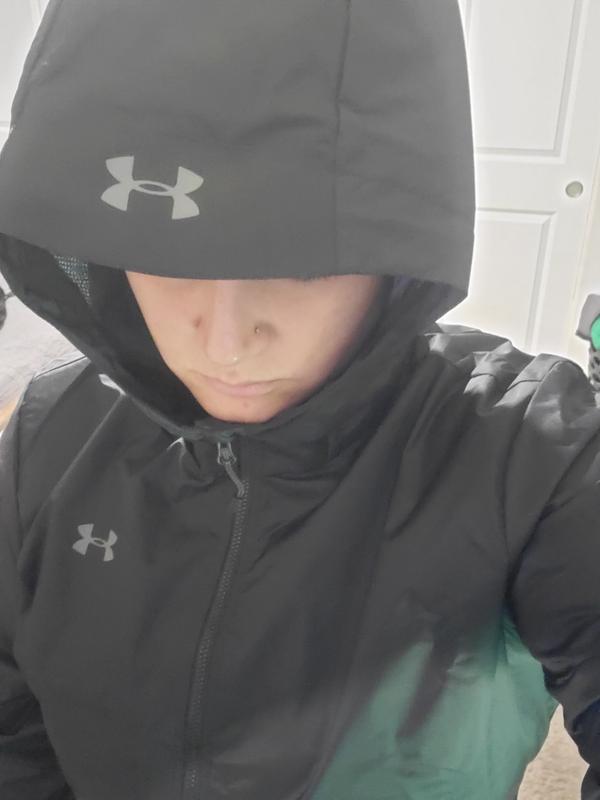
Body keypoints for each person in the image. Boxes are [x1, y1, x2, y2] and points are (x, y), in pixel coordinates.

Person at [0, 2, 599, 799]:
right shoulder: (49, 434)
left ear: (398, 255)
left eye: (304, 264)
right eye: (167, 259)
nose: (225, 343)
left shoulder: (531, 454)